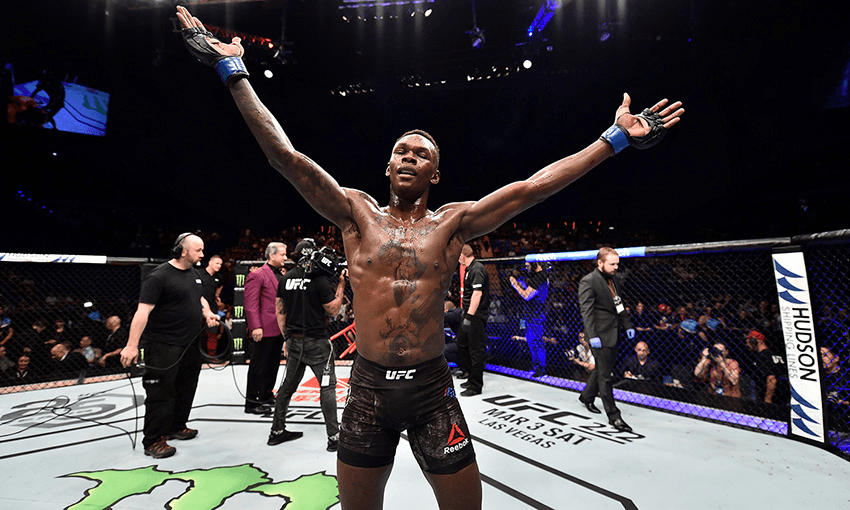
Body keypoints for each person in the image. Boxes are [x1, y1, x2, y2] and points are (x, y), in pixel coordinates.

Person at [175, 6, 683, 507]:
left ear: (434, 175)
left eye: (421, 154)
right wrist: (233, 70)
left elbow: (531, 190)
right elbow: (285, 158)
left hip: (431, 388)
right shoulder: (355, 214)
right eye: (401, 150)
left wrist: (612, 140)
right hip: (369, 387)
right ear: (387, 164)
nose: (409, 157)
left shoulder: (453, 224)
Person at [119, 232, 220, 459]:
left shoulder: (194, 274)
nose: (202, 254)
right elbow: (143, 311)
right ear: (183, 251)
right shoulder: (159, 276)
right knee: (161, 392)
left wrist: (208, 313)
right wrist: (131, 345)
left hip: (190, 344)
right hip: (164, 345)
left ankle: (176, 426)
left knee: (186, 386)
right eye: (198, 250)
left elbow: (200, 298)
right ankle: (154, 440)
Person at [268, 238, 348, 452]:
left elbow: (280, 311)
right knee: (327, 387)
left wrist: (286, 339)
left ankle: (276, 432)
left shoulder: (285, 278)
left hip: (294, 342)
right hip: (317, 344)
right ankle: (334, 437)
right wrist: (341, 285)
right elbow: (332, 310)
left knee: (287, 387)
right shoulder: (320, 280)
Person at [577, 247, 636, 432]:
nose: (616, 267)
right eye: (612, 264)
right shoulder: (588, 281)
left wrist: (627, 325)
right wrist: (592, 336)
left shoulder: (614, 279)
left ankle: (586, 397)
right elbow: (586, 312)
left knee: (604, 369)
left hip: (613, 331)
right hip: (599, 334)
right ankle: (614, 416)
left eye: (617, 264)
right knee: (606, 376)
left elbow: (619, 304)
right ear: (600, 263)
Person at [243, 241, 287, 414]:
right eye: (282, 254)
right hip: (263, 327)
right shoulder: (258, 275)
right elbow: (251, 304)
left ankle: (267, 395)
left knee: (273, 364)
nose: (285, 257)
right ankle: (252, 402)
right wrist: (255, 326)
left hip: (278, 327)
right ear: (272, 255)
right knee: (259, 365)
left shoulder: (281, 275)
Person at [457, 244, 491, 396]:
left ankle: (476, 386)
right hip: (469, 313)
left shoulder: (477, 269)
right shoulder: (470, 269)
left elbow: (477, 294)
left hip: (476, 315)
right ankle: (471, 377)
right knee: (462, 344)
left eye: (459, 257)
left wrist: (469, 317)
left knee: (475, 350)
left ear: (463, 255)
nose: (458, 260)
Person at [509, 261, 550, 377]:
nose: (527, 269)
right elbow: (532, 292)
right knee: (531, 341)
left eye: (528, 266)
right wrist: (522, 284)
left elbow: (527, 296)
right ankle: (536, 366)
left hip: (536, 315)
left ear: (535, 265)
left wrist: (515, 285)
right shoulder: (538, 277)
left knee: (536, 341)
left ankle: (541, 368)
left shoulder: (540, 277)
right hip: (531, 314)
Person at [743, 329, 787, 404]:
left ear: (754, 341)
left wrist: (767, 399)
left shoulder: (763, 356)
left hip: (773, 397)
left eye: (748, 342)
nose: (747, 345)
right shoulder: (774, 353)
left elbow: (771, 379)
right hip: (783, 394)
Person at [198, 254, 225, 355]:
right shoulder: (199, 273)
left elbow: (218, 291)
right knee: (197, 332)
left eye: (220, 264)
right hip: (198, 305)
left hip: (212, 306)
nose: (219, 266)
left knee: (212, 332)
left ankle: (211, 355)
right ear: (210, 262)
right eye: (217, 263)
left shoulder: (219, 277)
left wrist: (218, 297)